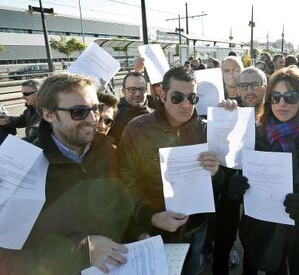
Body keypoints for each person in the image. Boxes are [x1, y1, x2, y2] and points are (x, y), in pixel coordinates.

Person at [0, 73, 135, 274]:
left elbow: (123, 208)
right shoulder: (18, 164)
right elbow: (7, 261)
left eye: (95, 109)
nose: (92, 119)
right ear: (48, 114)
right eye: (78, 112)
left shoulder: (108, 151)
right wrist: (82, 252)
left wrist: (142, 231)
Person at [227, 66, 299, 274]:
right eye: (275, 97)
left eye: (290, 97)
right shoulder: (255, 134)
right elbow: (242, 183)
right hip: (260, 233)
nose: (281, 103)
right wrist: (235, 190)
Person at [118, 66, 222, 275]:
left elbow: (220, 185)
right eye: (177, 97)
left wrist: (216, 173)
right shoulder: (137, 129)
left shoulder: (207, 130)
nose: (186, 104)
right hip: (153, 231)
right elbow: (124, 181)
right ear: (162, 95)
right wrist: (152, 216)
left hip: (195, 229)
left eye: (192, 98)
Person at [211, 67, 267, 275]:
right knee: (224, 232)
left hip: (259, 185)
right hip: (230, 180)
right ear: (238, 89)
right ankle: (219, 269)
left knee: (253, 237)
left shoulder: (276, 111)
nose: (249, 90)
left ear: (265, 86)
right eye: (244, 86)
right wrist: (221, 114)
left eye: (255, 85)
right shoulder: (230, 110)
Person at [107, 72, 150, 145]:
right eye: (132, 89)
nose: (137, 94)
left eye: (141, 89)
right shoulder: (112, 115)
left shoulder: (155, 114)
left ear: (146, 90)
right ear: (123, 91)